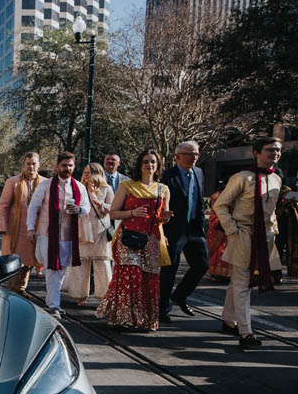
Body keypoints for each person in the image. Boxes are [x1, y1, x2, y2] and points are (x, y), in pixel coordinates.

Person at [212, 136, 284, 348]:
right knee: (244, 283)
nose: (275, 154)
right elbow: (221, 205)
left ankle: (228, 319)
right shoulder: (242, 177)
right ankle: (246, 332)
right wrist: (233, 231)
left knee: (237, 282)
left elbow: (272, 211)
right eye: (270, 150)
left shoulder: (277, 179)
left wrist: (275, 231)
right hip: (243, 235)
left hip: (266, 239)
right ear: (256, 153)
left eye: (278, 150)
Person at [95, 149, 172, 331]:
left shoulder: (163, 189)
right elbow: (113, 213)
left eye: (153, 161)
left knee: (148, 279)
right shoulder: (127, 186)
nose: (149, 165)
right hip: (128, 238)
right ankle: (124, 317)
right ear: (140, 165)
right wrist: (132, 213)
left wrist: (166, 217)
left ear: (158, 165)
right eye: (145, 161)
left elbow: (162, 217)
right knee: (130, 276)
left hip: (152, 239)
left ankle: (145, 319)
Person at [27, 152, 91, 316]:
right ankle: (54, 305)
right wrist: (30, 228)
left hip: (68, 235)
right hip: (48, 234)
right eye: (64, 165)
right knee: (52, 269)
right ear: (57, 166)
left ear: (74, 167)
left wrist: (79, 210)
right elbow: (33, 206)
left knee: (62, 269)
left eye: (70, 165)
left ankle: (52, 301)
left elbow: (86, 207)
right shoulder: (46, 185)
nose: (67, 168)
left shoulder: (79, 187)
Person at [159, 141, 209, 323]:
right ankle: (162, 309)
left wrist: (202, 224)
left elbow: (199, 199)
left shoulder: (199, 172)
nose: (193, 157)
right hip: (174, 229)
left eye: (196, 154)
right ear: (178, 156)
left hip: (194, 229)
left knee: (202, 264)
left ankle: (179, 295)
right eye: (189, 154)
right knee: (169, 270)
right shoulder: (168, 176)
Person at [0, 152, 43, 294]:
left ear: (38, 165)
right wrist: (2, 226)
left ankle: (21, 288)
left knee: (29, 261)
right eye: (28, 164)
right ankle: (12, 289)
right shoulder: (13, 182)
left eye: (34, 163)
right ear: (24, 165)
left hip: (35, 229)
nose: (31, 166)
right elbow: (3, 206)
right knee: (14, 261)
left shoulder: (45, 183)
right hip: (15, 230)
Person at [68, 163, 114, 306]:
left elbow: (113, 208)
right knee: (81, 264)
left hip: (100, 231)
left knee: (102, 265)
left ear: (97, 173)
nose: (86, 175)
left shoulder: (106, 189)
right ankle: (80, 295)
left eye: (89, 173)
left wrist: (101, 204)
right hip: (83, 230)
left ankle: (105, 296)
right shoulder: (79, 188)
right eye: (85, 172)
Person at [207, 182, 231, 281]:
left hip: (221, 222)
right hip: (221, 222)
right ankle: (222, 273)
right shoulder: (220, 195)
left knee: (221, 249)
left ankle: (217, 273)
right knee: (221, 249)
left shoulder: (217, 195)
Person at [274, 186, 297, 278]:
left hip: (291, 232)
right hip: (279, 231)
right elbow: (276, 215)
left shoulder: (292, 204)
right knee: (277, 252)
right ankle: (276, 274)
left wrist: (293, 205)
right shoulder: (277, 203)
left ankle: (292, 273)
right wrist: (283, 205)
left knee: (292, 252)